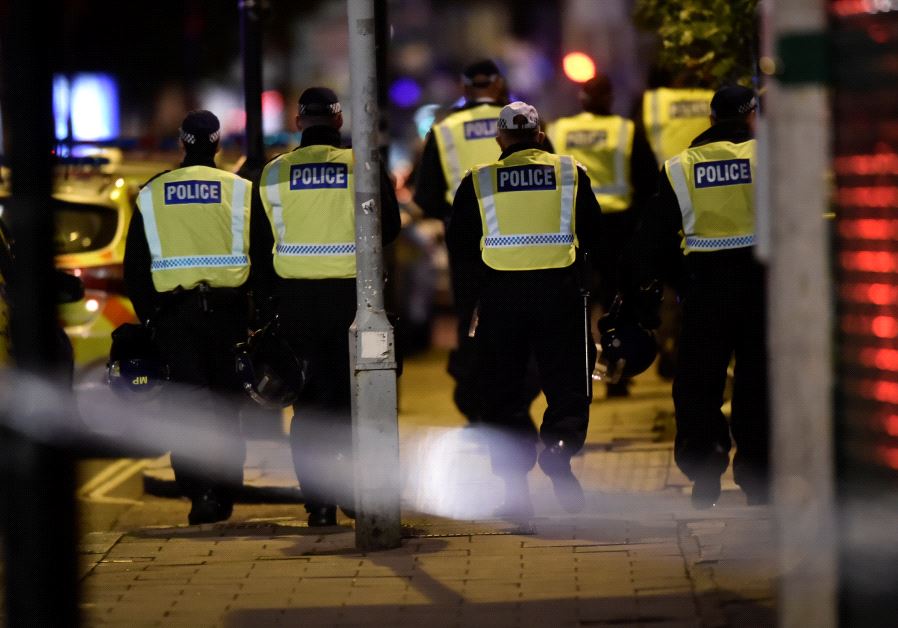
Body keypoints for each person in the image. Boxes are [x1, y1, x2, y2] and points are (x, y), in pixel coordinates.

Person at [446, 101, 602, 517]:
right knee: (568, 382)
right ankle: (560, 453)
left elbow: (460, 251)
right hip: (561, 294)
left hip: (502, 298)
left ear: (500, 138)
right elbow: (596, 236)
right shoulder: (570, 173)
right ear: (540, 133)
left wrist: (470, 308)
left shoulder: (478, 181)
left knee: (502, 391)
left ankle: (515, 488)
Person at [255, 87, 401, 527]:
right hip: (354, 301)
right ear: (338, 122)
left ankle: (318, 503)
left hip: (296, 304)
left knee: (309, 406)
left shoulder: (274, 174)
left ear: (300, 122)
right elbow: (390, 227)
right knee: (355, 400)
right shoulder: (364, 166)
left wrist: (264, 310)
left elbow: (261, 247)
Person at [622, 85, 768, 509]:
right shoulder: (768, 157)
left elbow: (653, 238)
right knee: (756, 381)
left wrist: (656, 285)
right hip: (759, 284)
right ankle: (757, 477)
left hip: (704, 287)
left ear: (711, 119)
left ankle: (704, 472)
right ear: (750, 116)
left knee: (699, 383)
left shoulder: (680, 166)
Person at [124, 110, 252, 525]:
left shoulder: (152, 193)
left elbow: (135, 268)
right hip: (229, 315)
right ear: (217, 144)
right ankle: (226, 490)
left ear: (182, 143)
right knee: (227, 405)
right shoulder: (241, 191)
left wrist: (151, 320)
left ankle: (200, 494)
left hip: (174, 318)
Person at [548, 73, 657, 397]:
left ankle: (577, 373)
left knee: (576, 302)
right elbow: (647, 181)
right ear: (610, 98)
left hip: (574, 226)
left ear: (581, 98)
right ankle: (618, 370)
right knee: (617, 302)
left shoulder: (558, 130)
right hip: (617, 228)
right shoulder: (626, 131)